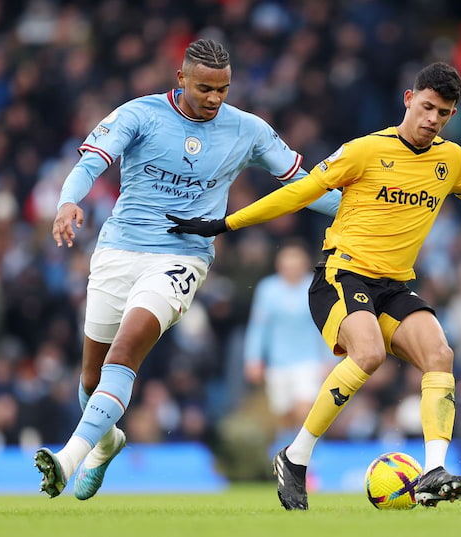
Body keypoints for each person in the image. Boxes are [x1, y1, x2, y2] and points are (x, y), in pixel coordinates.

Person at [165, 61, 461, 510]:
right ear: (409, 100)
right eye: (427, 106)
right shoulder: (364, 151)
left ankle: (432, 472)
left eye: (444, 113)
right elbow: (300, 192)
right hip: (341, 275)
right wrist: (225, 223)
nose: (433, 119)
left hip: (393, 285)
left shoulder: (451, 160)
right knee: (367, 353)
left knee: (440, 355)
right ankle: (296, 457)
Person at [34, 38, 340, 500]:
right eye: (205, 89)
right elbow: (91, 162)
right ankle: (107, 440)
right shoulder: (139, 114)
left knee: (127, 350)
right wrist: (67, 202)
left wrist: (365, 213)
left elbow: (303, 186)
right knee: (91, 380)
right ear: (181, 79)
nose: (215, 99)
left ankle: (67, 459)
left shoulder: (249, 129)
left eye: (223, 89)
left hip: (183, 257)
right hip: (118, 251)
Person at [243, 239, 335, 440]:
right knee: (284, 416)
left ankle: (308, 458)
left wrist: (330, 358)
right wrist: (253, 358)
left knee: (306, 410)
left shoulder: (314, 287)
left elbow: (325, 325)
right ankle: (288, 455)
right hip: (278, 363)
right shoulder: (268, 289)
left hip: (309, 361)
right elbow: (259, 327)